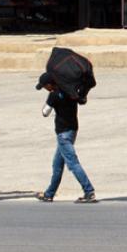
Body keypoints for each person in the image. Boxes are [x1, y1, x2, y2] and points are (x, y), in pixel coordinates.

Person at [35, 73, 97, 203]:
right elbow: (82, 100)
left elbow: (45, 112)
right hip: (73, 130)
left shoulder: (53, 94)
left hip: (63, 134)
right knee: (57, 164)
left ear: (49, 84)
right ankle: (49, 193)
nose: (45, 89)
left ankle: (89, 191)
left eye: (45, 86)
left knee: (72, 163)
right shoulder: (70, 89)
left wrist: (51, 100)